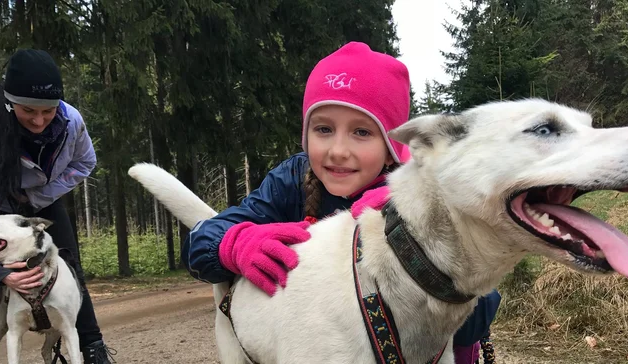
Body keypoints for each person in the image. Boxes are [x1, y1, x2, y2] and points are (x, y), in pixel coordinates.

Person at [182, 41, 500, 364]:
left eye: (361, 132)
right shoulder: (292, 179)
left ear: (391, 147)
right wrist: (233, 243)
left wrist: (412, 246)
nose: (337, 150)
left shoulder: (418, 197)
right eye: (323, 129)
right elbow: (197, 244)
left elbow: (477, 319)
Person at [0, 49, 115, 364]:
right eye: (29, 111)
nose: (39, 121)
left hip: (41, 198)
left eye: (48, 111)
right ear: (11, 104)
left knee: (69, 264)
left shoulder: (71, 122)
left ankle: (92, 349)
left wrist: (37, 197)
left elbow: (84, 162)